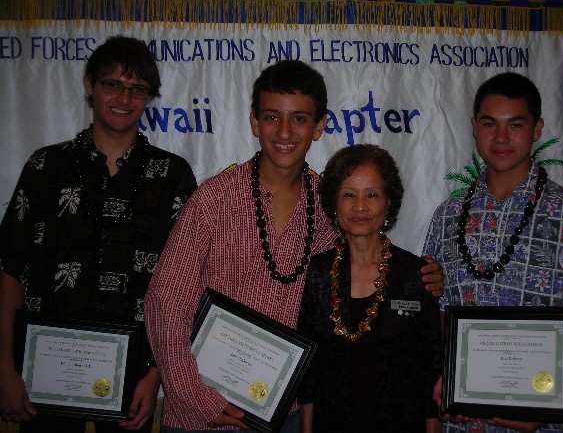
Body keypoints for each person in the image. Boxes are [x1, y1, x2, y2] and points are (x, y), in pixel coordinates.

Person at [144, 59, 444, 432]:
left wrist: (422, 277)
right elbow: (166, 301)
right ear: (254, 121)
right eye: (272, 117)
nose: (284, 131)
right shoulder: (213, 200)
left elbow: (369, 270)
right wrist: (195, 397)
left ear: (319, 126)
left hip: (285, 412)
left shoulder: (331, 207)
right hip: (204, 411)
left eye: (300, 118)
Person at [0, 35, 197, 433]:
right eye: (113, 84)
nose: (124, 98)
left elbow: (186, 284)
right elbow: (9, 269)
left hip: (134, 377)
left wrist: (158, 374)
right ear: (90, 84)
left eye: (137, 89)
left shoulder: (173, 177)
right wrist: (3, 368)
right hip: (42, 375)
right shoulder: (45, 167)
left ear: (148, 98)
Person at [423, 72, 563, 433]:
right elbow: (436, 312)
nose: (501, 137)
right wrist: (446, 379)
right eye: (489, 124)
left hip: (544, 422)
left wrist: (553, 403)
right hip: (463, 423)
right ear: (474, 127)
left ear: (537, 129)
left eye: (515, 124)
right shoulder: (447, 217)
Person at [296, 144, 442, 432]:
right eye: (348, 194)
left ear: (388, 203)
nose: (359, 206)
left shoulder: (417, 274)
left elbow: (429, 368)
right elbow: (310, 374)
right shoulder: (317, 274)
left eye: (372, 194)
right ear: (334, 204)